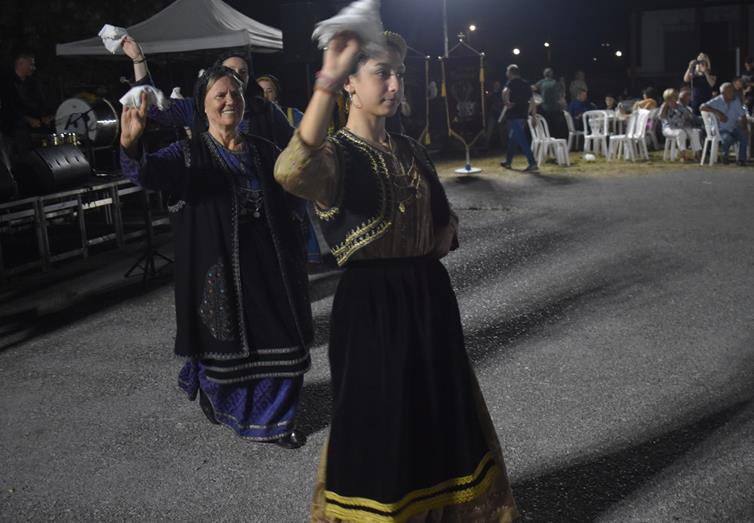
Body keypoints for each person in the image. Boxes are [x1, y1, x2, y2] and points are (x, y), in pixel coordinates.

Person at [274, 31, 518, 522]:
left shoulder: (410, 149)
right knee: (382, 422)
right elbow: (291, 170)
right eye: (381, 74)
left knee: (438, 415)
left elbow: (440, 216)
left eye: (399, 74)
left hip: (428, 299)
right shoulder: (336, 155)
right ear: (350, 84)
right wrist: (325, 82)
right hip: (373, 307)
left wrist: (446, 228)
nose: (394, 84)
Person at [119, 67, 314, 447]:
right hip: (217, 268)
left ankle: (278, 421)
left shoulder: (265, 150)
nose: (230, 101)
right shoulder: (188, 154)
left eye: (235, 94)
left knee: (285, 340)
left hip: (271, 265)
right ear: (202, 105)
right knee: (224, 348)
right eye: (220, 95)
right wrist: (130, 146)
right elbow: (147, 173)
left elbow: (294, 191)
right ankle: (221, 400)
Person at [121, 37, 293, 150]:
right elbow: (153, 107)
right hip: (212, 185)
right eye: (230, 70)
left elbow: (293, 144)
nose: (236, 75)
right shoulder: (196, 107)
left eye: (243, 72)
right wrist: (138, 60)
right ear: (216, 74)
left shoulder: (264, 110)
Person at [0, 50, 54, 156]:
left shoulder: (34, 83)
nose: (33, 68)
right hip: (15, 130)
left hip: (35, 129)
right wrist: (27, 119)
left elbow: (41, 102)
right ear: (20, 63)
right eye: (31, 64)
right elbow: (9, 107)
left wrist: (45, 116)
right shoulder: (6, 82)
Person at [701, 82, 749, 165]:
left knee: (744, 135)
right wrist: (718, 112)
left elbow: (743, 115)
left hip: (733, 127)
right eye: (730, 91)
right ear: (723, 93)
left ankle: (742, 159)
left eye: (733, 91)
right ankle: (724, 156)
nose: (732, 93)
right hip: (720, 129)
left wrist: (744, 127)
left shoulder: (736, 100)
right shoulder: (717, 100)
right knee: (727, 138)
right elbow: (702, 107)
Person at [500, 64, 537, 171]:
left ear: (511, 73)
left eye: (507, 71)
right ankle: (508, 162)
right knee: (514, 138)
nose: (506, 73)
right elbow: (533, 101)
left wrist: (506, 102)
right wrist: (534, 117)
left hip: (514, 114)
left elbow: (504, 92)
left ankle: (532, 163)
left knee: (522, 139)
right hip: (523, 115)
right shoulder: (526, 84)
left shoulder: (511, 83)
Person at [659, 88, 702, 161]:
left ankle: (697, 154)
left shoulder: (680, 106)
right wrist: (665, 106)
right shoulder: (664, 107)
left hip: (682, 127)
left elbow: (690, 116)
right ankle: (683, 155)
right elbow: (661, 117)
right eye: (672, 97)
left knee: (695, 132)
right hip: (669, 128)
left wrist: (690, 119)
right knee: (680, 133)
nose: (674, 99)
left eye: (675, 97)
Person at [533, 67, 566, 138]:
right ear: (551, 74)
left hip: (544, 110)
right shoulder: (555, 83)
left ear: (544, 74)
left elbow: (532, 88)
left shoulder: (541, 82)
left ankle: (547, 141)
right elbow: (560, 97)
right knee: (555, 130)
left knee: (546, 128)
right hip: (554, 110)